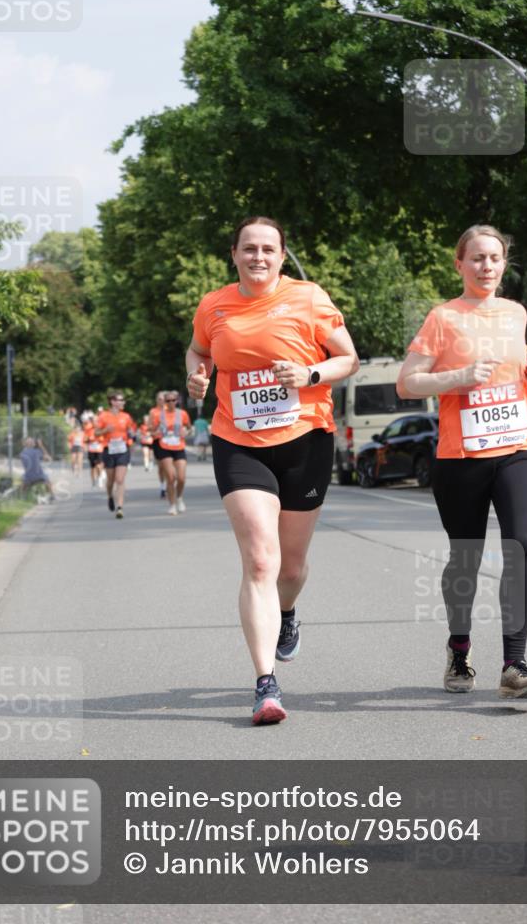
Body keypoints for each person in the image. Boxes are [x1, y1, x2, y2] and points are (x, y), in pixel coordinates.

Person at [187, 216, 359, 725]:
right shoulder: (213, 305)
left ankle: (287, 613)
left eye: (268, 249)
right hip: (238, 440)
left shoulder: (308, 298)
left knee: (290, 566)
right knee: (260, 561)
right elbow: (199, 350)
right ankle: (265, 684)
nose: (258, 257)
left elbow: (347, 359)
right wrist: (196, 376)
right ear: (234, 254)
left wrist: (309, 373)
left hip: (305, 437)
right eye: (249, 249)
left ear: (281, 256)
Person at [396, 224, 527, 700]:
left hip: (518, 444)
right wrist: (459, 377)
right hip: (462, 455)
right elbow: (407, 383)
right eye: (477, 258)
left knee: (520, 546)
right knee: (465, 556)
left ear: (505, 265)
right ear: (459, 264)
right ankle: (460, 648)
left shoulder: (516, 313)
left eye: (495, 258)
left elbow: (515, 367)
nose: (487, 266)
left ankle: (514, 663)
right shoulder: (443, 317)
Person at [95, 392, 137, 520]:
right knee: (110, 481)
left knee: (120, 479)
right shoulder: (103, 416)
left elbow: (132, 431)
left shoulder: (126, 416)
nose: (123, 402)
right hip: (109, 450)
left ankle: (120, 507)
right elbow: (96, 433)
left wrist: (131, 435)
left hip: (123, 450)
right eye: (120, 400)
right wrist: (105, 430)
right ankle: (109, 496)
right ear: (113, 402)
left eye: (123, 400)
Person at [150, 391, 191, 516]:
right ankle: (172, 505)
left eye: (173, 400)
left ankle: (179, 498)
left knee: (181, 478)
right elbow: (152, 430)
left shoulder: (182, 414)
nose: (171, 403)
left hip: (179, 446)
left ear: (177, 400)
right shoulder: (158, 415)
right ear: (164, 402)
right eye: (168, 401)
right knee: (171, 477)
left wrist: (187, 432)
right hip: (164, 447)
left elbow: (189, 427)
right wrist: (156, 432)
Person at [149, 391, 167, 498]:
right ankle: (162, 486)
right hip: (158, 441)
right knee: (161, 467)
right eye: (160, 399)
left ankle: (169, 483)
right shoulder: (153, 412)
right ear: (157, 400)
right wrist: (157, 426)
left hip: (171, 441)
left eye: (164, 399)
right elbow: (150, 428)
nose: (162, 401)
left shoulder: (171, 411)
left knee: (170, 466)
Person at [83, 412, 105, 488]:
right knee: (92, 467)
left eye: (96, 420)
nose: (94, 422)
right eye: (93, 420)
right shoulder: (88, 429)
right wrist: (89, 439)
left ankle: (100, 478)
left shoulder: (101, 429)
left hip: (99, 450)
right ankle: (93, 481)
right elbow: (85, 439)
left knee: (99, 465)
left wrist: (99, 439)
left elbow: (105, 438)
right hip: (91, 450)